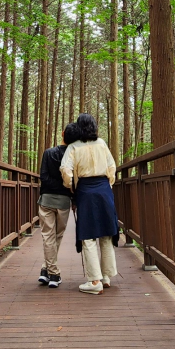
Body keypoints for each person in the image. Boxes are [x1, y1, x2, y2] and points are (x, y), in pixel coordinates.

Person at [60, 113, 119, 295]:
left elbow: (65, 169)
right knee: (106, 232)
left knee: (88, 235)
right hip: (104, 189)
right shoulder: (102, 144)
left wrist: (72, 187)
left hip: (86, 190)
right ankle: (106, 277)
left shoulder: (73, 147)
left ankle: (95, 281)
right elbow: (111, 167)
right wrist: (107, 184)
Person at [38, 122, 80, 288]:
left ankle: (45, 270)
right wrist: (70, 195)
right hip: (63, 201)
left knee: (48, 236)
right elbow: (74, 182)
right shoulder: (73, 157)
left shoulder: (48, 153)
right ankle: (53, 274)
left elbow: (43, 176)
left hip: (46, 200)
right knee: (56, 236)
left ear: (62, 133)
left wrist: (52, 187)